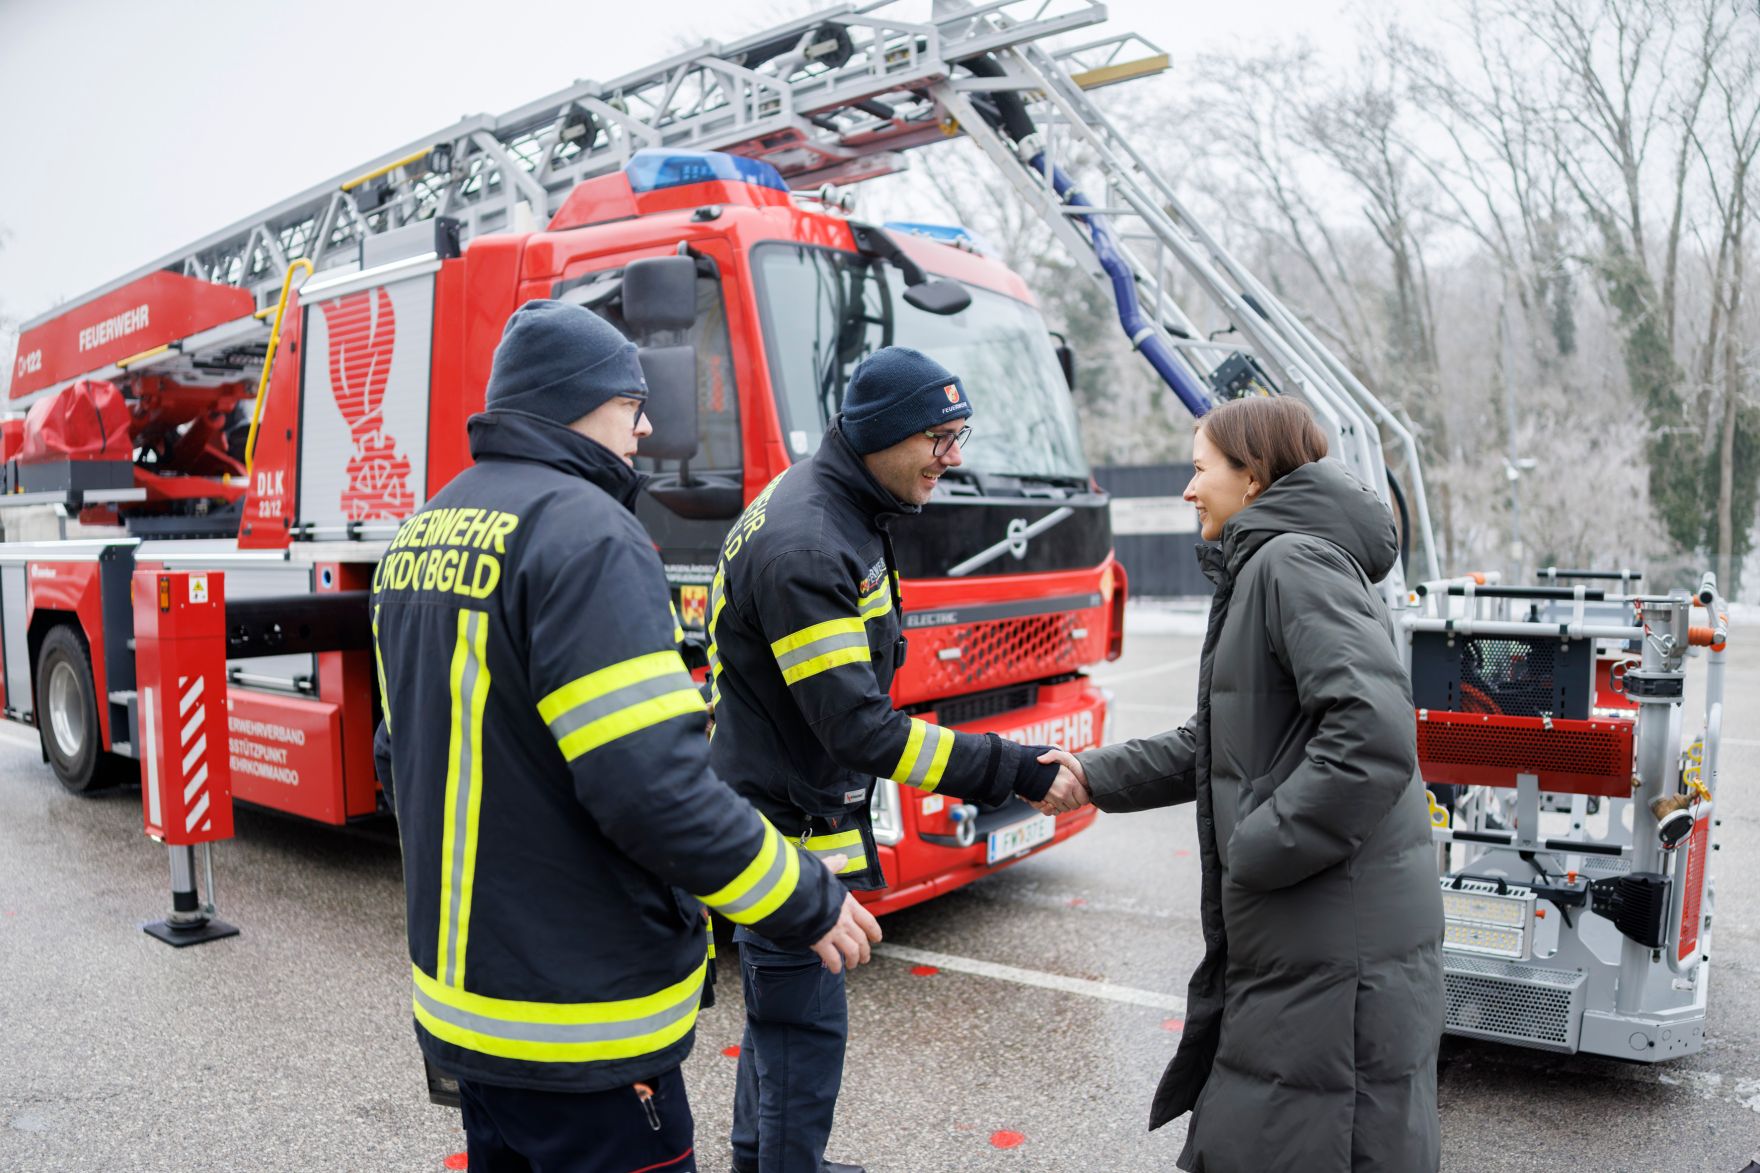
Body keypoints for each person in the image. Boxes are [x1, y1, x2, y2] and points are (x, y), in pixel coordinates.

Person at [371, 300, 880, 1173]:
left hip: (465, 1011)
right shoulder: (588, 533)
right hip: (581, 1031)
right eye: (630, 404)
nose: (646, 427)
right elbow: (654, 785)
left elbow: (399, 757)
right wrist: (805, 897)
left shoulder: (420, 534)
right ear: (576, 401)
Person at [1040, 395, 1445, 1171]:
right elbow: (1216, 739)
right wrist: (1093, 774)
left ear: (1252, 477)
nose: (1188, 490)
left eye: (1199, 469)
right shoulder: (1272, 563)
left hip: (1330, 942)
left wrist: (1257, 846)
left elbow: (1373, 731)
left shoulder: (1290, 563)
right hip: (1313, 935)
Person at [707, 346, 1084, 1173]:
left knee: (782, 1014)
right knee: (803, 1024)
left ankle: (760, 1158)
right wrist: (1013, 768)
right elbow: (860, 730)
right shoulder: (812, 542)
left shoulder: (840, 507)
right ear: (880, 434)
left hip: (792, 803)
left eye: (959, 434)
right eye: (939, 438)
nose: (954, 457)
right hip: (780, 820)